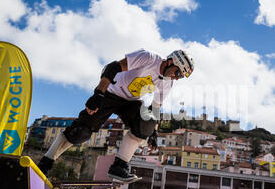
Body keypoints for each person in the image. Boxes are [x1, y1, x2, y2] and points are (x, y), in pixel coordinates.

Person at [36, 49, 194, 181]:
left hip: (131, 102)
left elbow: (156, 108)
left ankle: (119, 166)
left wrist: (153, 132)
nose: (176, 77)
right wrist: (98, 94)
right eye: (177, 73)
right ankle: (46, 162)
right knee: (81, 132)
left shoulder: (167, 82)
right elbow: (112, 67)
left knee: (147, 122)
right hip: (110, 93)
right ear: (171, 61)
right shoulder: (148, 58)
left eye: (180, 77)